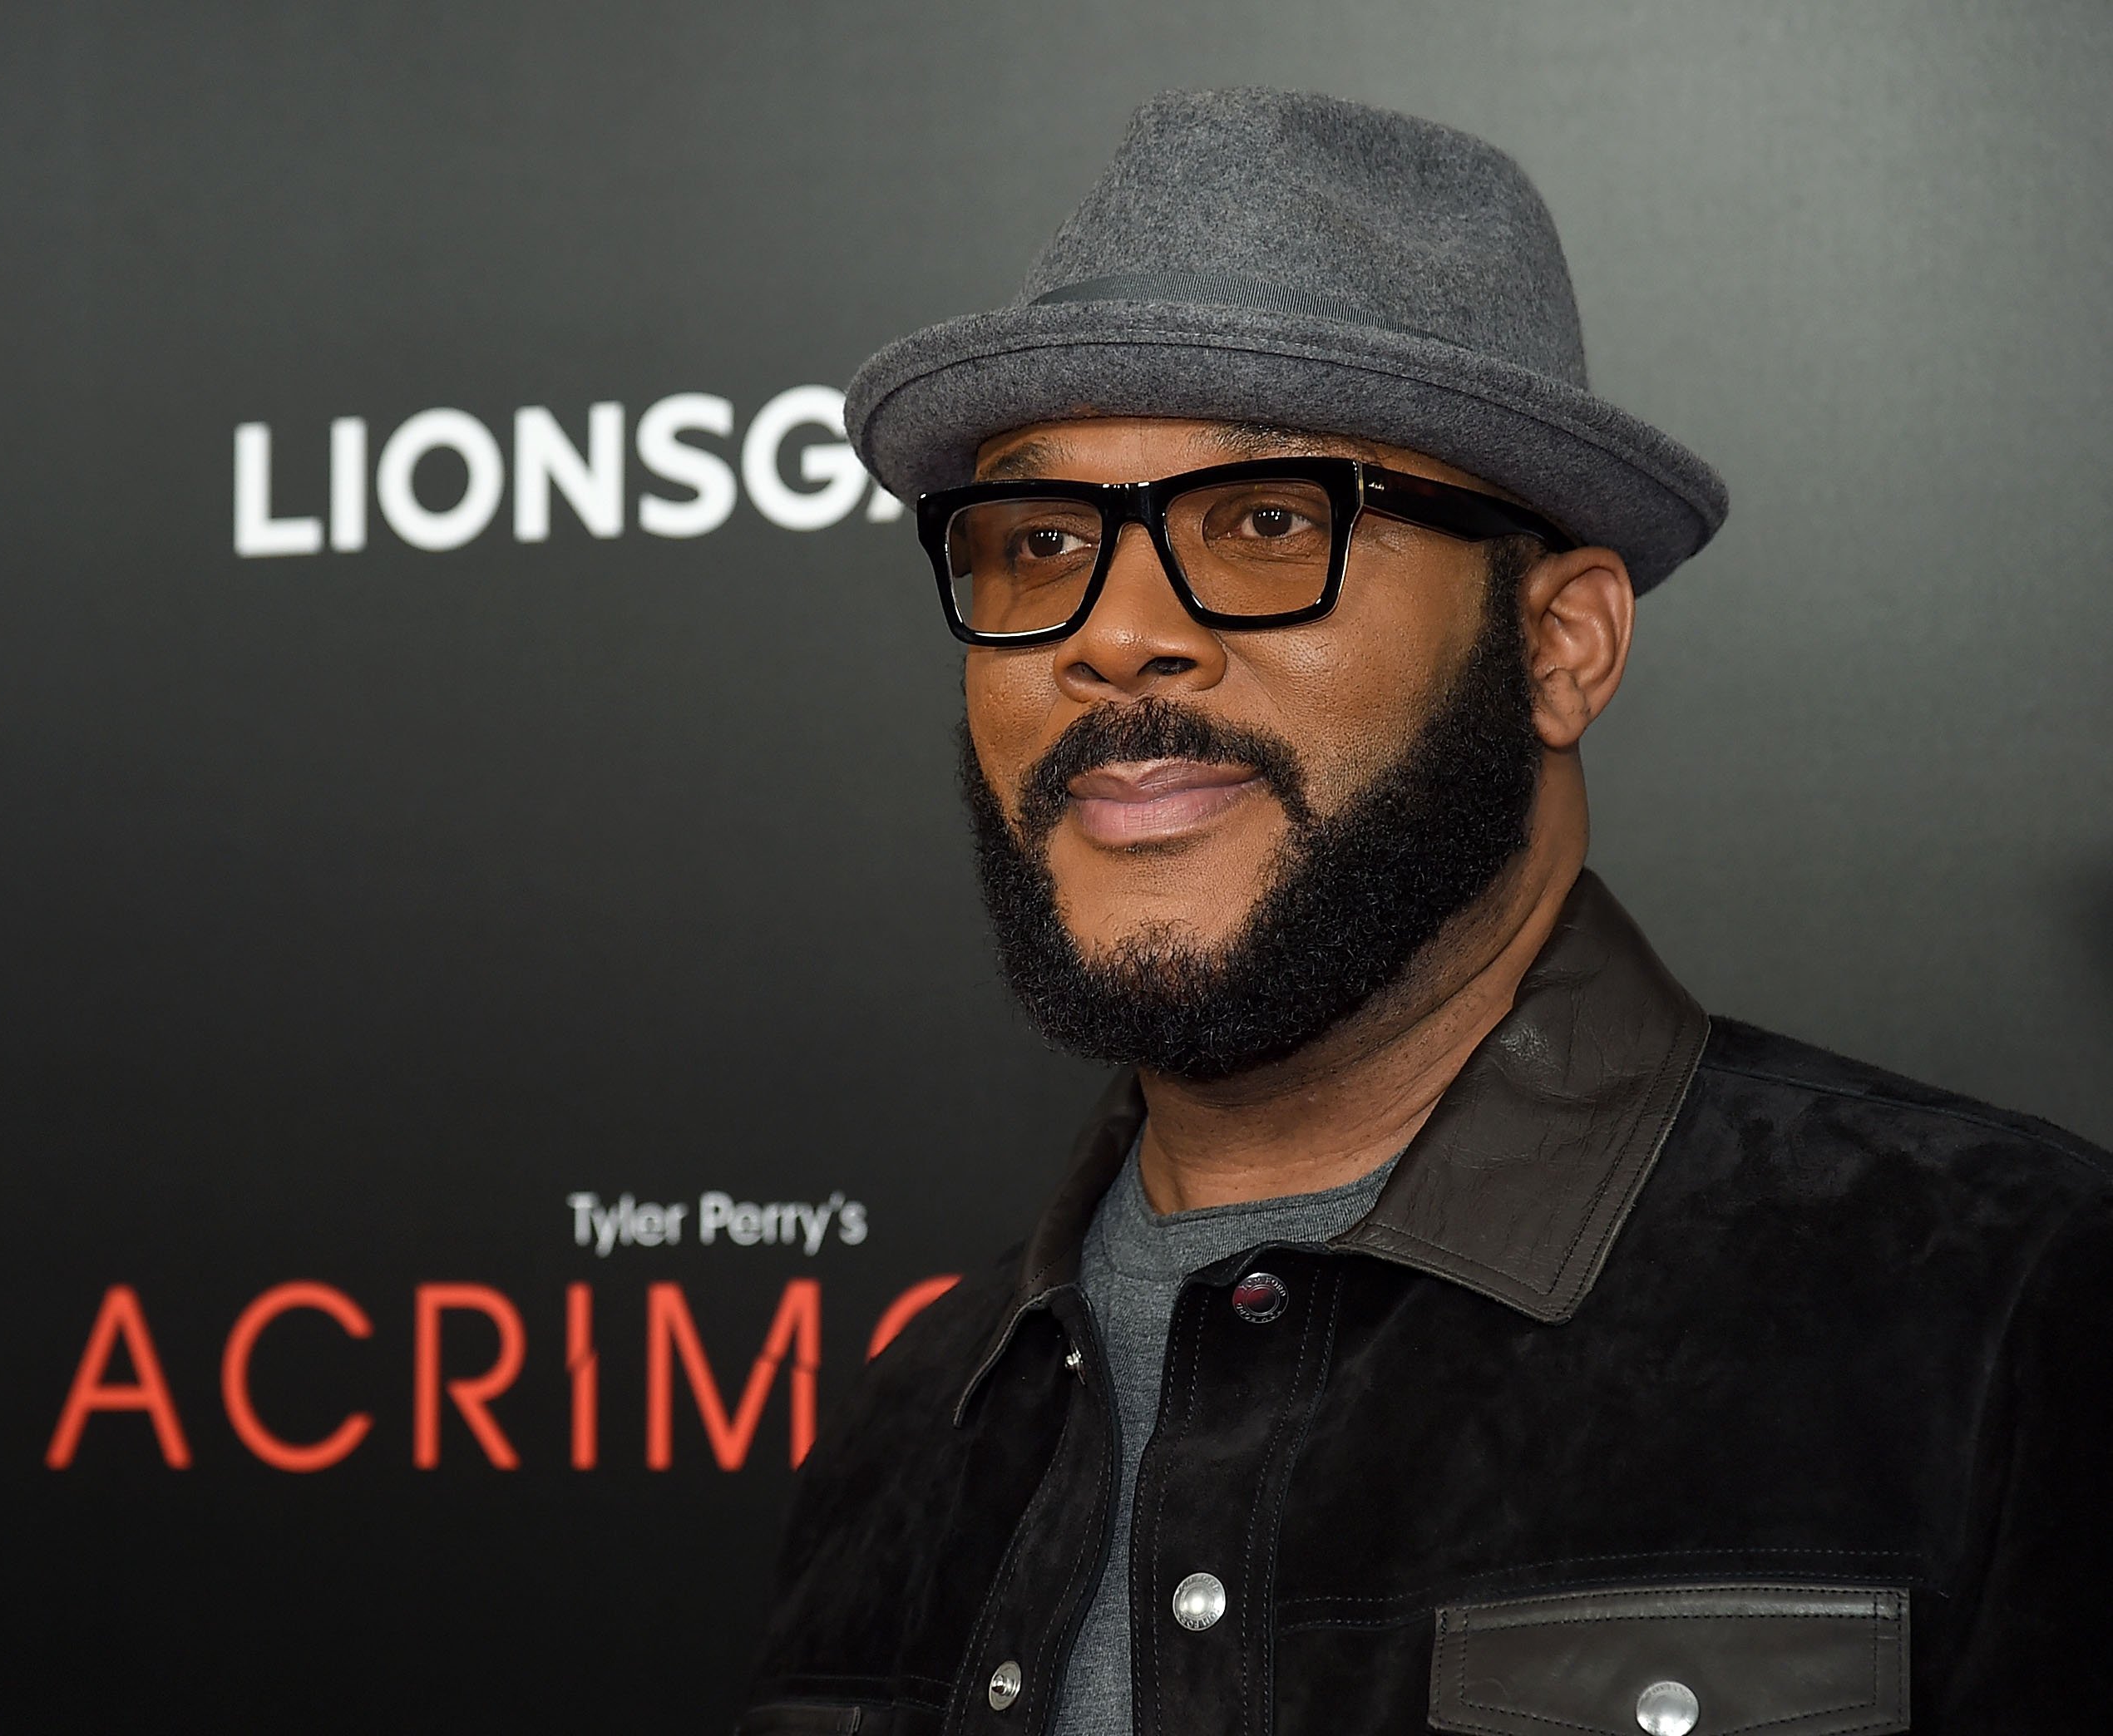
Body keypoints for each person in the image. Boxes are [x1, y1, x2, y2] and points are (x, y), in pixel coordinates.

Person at [736, 89, 2111, 1736]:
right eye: (1040, 541)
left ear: (1562, 645)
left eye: (1263, 522)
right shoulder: (905, 1436)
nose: (1114, 636)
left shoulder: (2008, 1314)